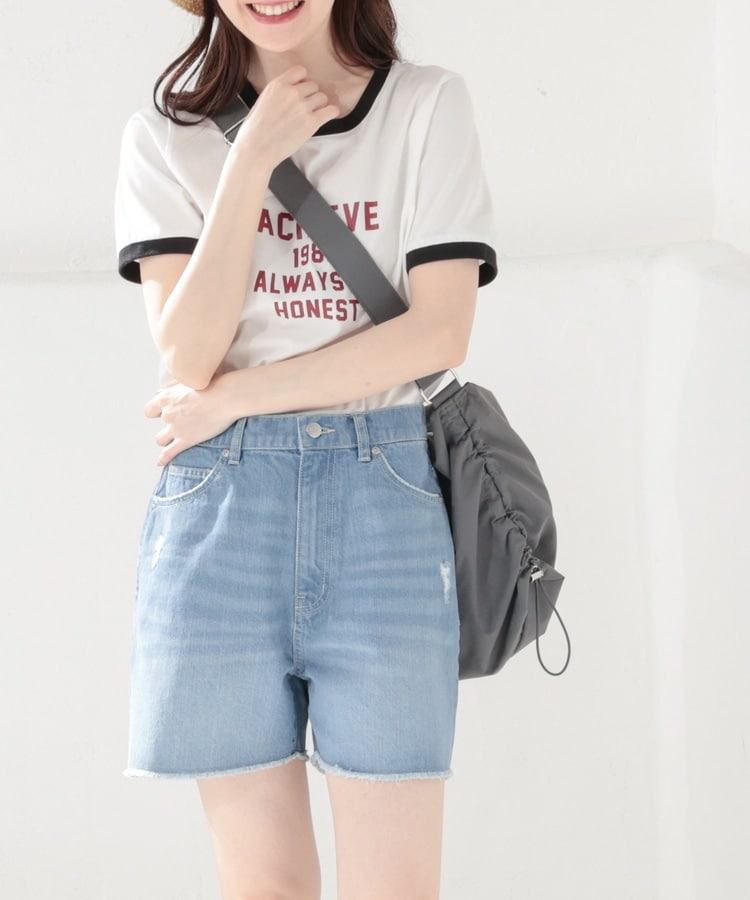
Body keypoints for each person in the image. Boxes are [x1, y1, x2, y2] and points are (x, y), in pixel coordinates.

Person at [113, 0, 497, 896]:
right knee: (264, 886)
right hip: (221, 515)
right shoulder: (164, 140)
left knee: (395, 887)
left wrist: (240, 396)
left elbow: (440, 332)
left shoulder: (425, 107)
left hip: (384, 504)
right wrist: (250, 159)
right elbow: (188, 355)